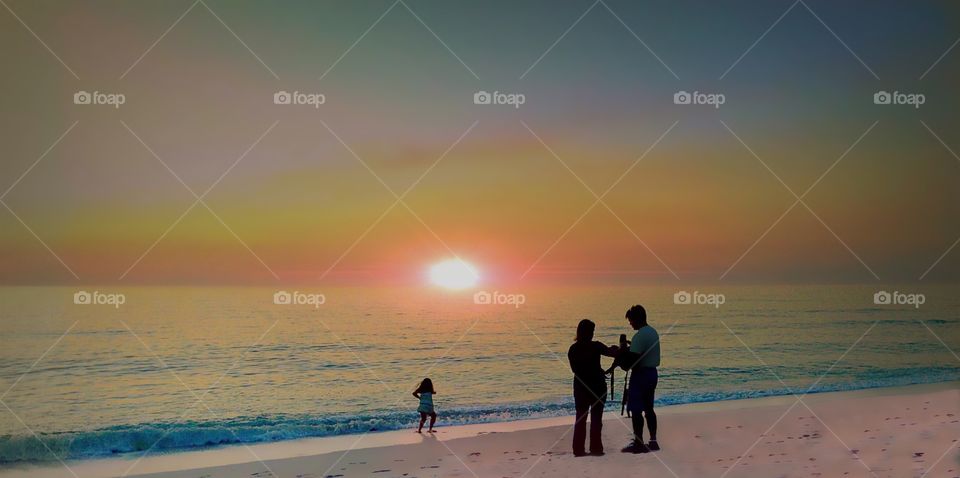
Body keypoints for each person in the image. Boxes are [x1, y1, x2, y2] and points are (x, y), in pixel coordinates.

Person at [567, 319, 619, 456]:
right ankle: (596, 448)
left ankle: (578, 449)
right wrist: (619, 349)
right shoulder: (596, 346)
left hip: (580, 388)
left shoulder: (573, 349)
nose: (592, 334)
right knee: (596, 419)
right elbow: (611, 353)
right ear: (588, 333)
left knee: (580, 418)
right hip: (597, 387)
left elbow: (575, 370)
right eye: (592, 331)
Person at [616, 304, 661, 453]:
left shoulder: (639, 336)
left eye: (631, 320)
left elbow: (630, 363)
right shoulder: (652, 332)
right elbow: (643, 352)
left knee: (636, 410)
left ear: (637, 319)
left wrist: (623, 352)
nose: (630, 323)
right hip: (652, 373)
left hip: (641, 374)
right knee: (649, 408)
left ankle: (638, 442)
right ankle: (653, 441)